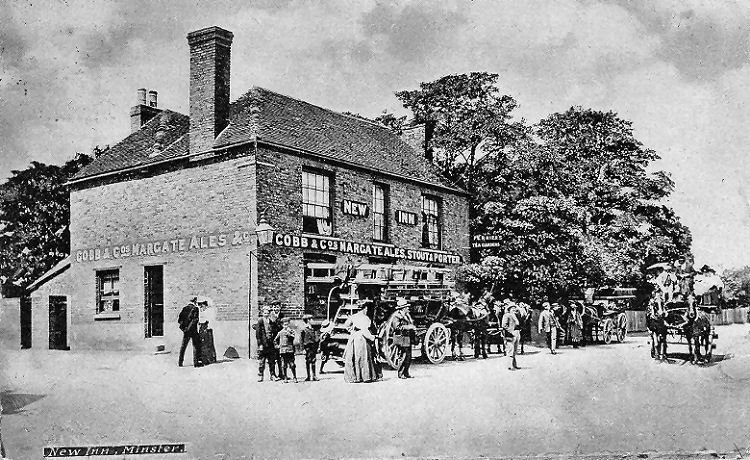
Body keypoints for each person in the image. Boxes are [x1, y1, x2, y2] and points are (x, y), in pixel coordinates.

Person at [343, 307, 378, 383]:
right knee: (364, 357)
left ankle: (356, 377)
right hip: (362, 338)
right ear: (364, 309)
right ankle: (365, 377)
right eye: (366, 309)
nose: (366, 310)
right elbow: (365, 331)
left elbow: (346, 325)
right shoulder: (365, 318)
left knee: (355, 357)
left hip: (354, 337)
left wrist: (352, 330)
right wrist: (372, 337)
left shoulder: (353, 316)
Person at [392, 298, 416, 379]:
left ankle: (406, 372)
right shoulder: (396, 316)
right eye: (406, 307)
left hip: (407, 338)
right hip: (401, 338)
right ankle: (401, 373)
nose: (408, 308)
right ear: (403, 308)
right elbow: (397, 327)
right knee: (403, 356)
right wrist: (408, 327)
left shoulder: (406, 315)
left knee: (408, 356)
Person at [256, 307, 280, 382]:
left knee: (272, 360)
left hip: (270, 343)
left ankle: (272, 375)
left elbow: (275, 331)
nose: (266, 314)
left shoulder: (271, 321)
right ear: (262, 313)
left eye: (267, 313)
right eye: (265, 313)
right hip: (263, 343)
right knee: (262, 361)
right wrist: (260, 344)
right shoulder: (260, 321)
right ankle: (260, 375)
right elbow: (258, 334)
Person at [178, 297, 203, 367]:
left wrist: (184, 328)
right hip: (193, 330)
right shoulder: (195, 309)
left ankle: (180, 362)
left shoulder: (184, 308)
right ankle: (196, 362)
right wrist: (190, 327)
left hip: (186, 331)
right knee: (196, 345)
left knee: (183, 346)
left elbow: (179, 320)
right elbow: (195, 320)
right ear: (194, 301)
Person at [275, 317, 298, 383]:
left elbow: (294, 338)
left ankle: (294, 377)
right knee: (284, 365)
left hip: (290, 350)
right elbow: (275, 340)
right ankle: (285, 377)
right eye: (285, 325)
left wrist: (289, 334)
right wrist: (277, 346)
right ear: (282, 325)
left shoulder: (291, 331)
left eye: (287, 324)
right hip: (283, 350)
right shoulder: (280, 332)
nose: (286, 326)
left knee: (292, 364)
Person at [502, 303, 521, 370]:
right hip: (510, 334)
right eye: (512, 308)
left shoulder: (516, 315)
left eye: (514, 308)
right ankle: (510, 365)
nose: (514, 309)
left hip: (517, 333)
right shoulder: (506, 315)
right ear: (509, 309)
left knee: (515, 350)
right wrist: (510, 331)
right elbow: (504, 325)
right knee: (510, 350)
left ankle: (514, 364)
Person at [300, 314, 319, 381]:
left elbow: (316, 338)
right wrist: (302, 349)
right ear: (308, 320)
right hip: (307, 346)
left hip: (313, 346)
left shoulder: (314, 328)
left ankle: (314, 376)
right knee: (308, 361)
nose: (313, 321)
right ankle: (308, 376)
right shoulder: (304, 329)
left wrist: (317, 346)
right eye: (311, 319)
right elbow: (301, 340)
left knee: (313, 360)